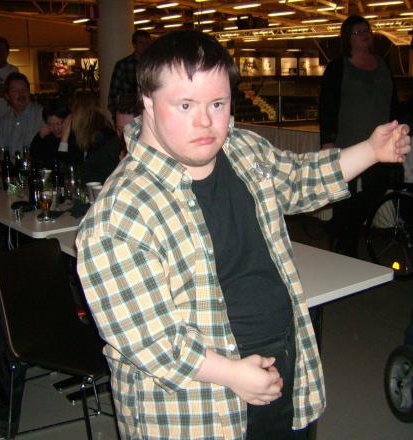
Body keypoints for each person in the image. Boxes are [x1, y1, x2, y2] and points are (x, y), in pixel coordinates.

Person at [76, 30, 410, 439]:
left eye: (217, 104)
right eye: (185, 105)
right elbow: (150, 339)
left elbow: (298, 178)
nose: (206, 122)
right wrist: (232, 373)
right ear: (147, 101)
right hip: (197, 400)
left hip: (282, 354)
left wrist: (371, 151)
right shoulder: (119, 214)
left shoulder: (240, 149)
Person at [319, 15, 401, 256]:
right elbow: (327, 106)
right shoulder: (338, 67)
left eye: (367, 30)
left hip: (381, 145)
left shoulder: (382, 64)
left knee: (377, 189)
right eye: (358, 32)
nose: (365, 35)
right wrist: (327, 141)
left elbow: (392, 102)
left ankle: (340, 227)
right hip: (348, 144)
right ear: (348, 38)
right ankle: (346, 250)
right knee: (345, 196)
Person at [64, 91, 121, 184]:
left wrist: (64, 139)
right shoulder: (82, 137)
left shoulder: (102, 137)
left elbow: (75, 174)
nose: (69, 117)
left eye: (72, 113)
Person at [0, 72, 43, 161]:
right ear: (7, 96)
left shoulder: (41, 115)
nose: (21, 93)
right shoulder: (4, 121)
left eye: (24, 89)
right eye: (15, 90)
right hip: (9, 168)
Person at [108, 30, 151, 124]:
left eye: (147, 43)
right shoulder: (123, 65)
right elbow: (113, 94)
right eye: (141, 43)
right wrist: (116, 116)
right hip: (127, 117)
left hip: (148, 116)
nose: (144, 46)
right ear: (134, 45)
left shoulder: (152, 66)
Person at [29, 101, 81, 170]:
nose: (56, 128)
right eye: (51, 124)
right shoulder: (48, 138)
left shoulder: (76, 138)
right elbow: (33, 158)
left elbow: (63, 168)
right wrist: (39, 136)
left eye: (60, 123)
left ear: (68, 120)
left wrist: (64, 139)